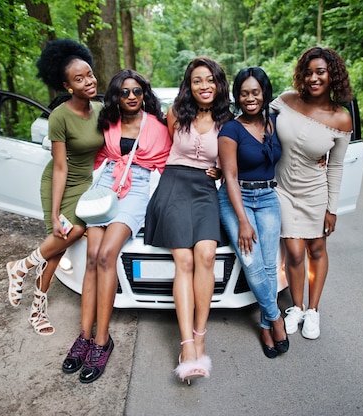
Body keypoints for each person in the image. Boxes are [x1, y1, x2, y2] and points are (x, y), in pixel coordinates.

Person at [62, 69, 172, 383]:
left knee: (107, 254)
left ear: (144, 94)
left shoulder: (157, 127)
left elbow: (169, 165)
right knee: (92, 256)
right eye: (124, 92)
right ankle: (84, 336)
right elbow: (91, 160)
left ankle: (102, 341)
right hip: (106, 189)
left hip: (136, 190)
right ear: (116, 96)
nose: (132, 97)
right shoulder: (106, 123)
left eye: (137, 91)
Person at [5, 39, 104, 335]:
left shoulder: (100, 109)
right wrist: (53, 214)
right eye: (79, 79)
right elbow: (60, 166)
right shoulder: (60, 115)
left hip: (85, 183)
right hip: (60, 182)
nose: (88, 81)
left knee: (60, 246)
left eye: (89, 74)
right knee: (63, 238)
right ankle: (36, 308)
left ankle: (20, 267)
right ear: (67, 86)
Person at [144, 57, 232, 383]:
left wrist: (222, 170)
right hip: (174, 185)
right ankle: (186, 345)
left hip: (206, 190)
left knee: (206, 254)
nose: (204, 86)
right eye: (197, 80)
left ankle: (200, 335)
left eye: (209, 79)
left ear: (218, 83)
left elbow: (231, 161)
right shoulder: (175, 114)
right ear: (189, 84)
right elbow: (161, 148)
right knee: (184, 259)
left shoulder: (228, 120)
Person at [271, 46, 353, 340]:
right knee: (293, 252)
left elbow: (336, 166)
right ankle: (296, 306)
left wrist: (332, 208)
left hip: (316, 191)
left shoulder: (341, 118)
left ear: (333, 75)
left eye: (320, 72)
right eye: (308, 73)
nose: (313, 78)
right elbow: (257, 122)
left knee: (316, 249)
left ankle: (313, 311)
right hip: (282, 189)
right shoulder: (286, 100)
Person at [217, 67, 287, 358]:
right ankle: (276, 318)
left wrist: (319, 157)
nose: (249, 98)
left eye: (255, 92)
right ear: (237, 96)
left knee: (270, 265)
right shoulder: (230, 129)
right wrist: (243, 221)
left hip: (268, 196)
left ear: (264, 93)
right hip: (237, 198)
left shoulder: (273, 123)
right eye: (244, 93)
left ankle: (264, 325)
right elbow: (229, 177)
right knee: (252, 264)